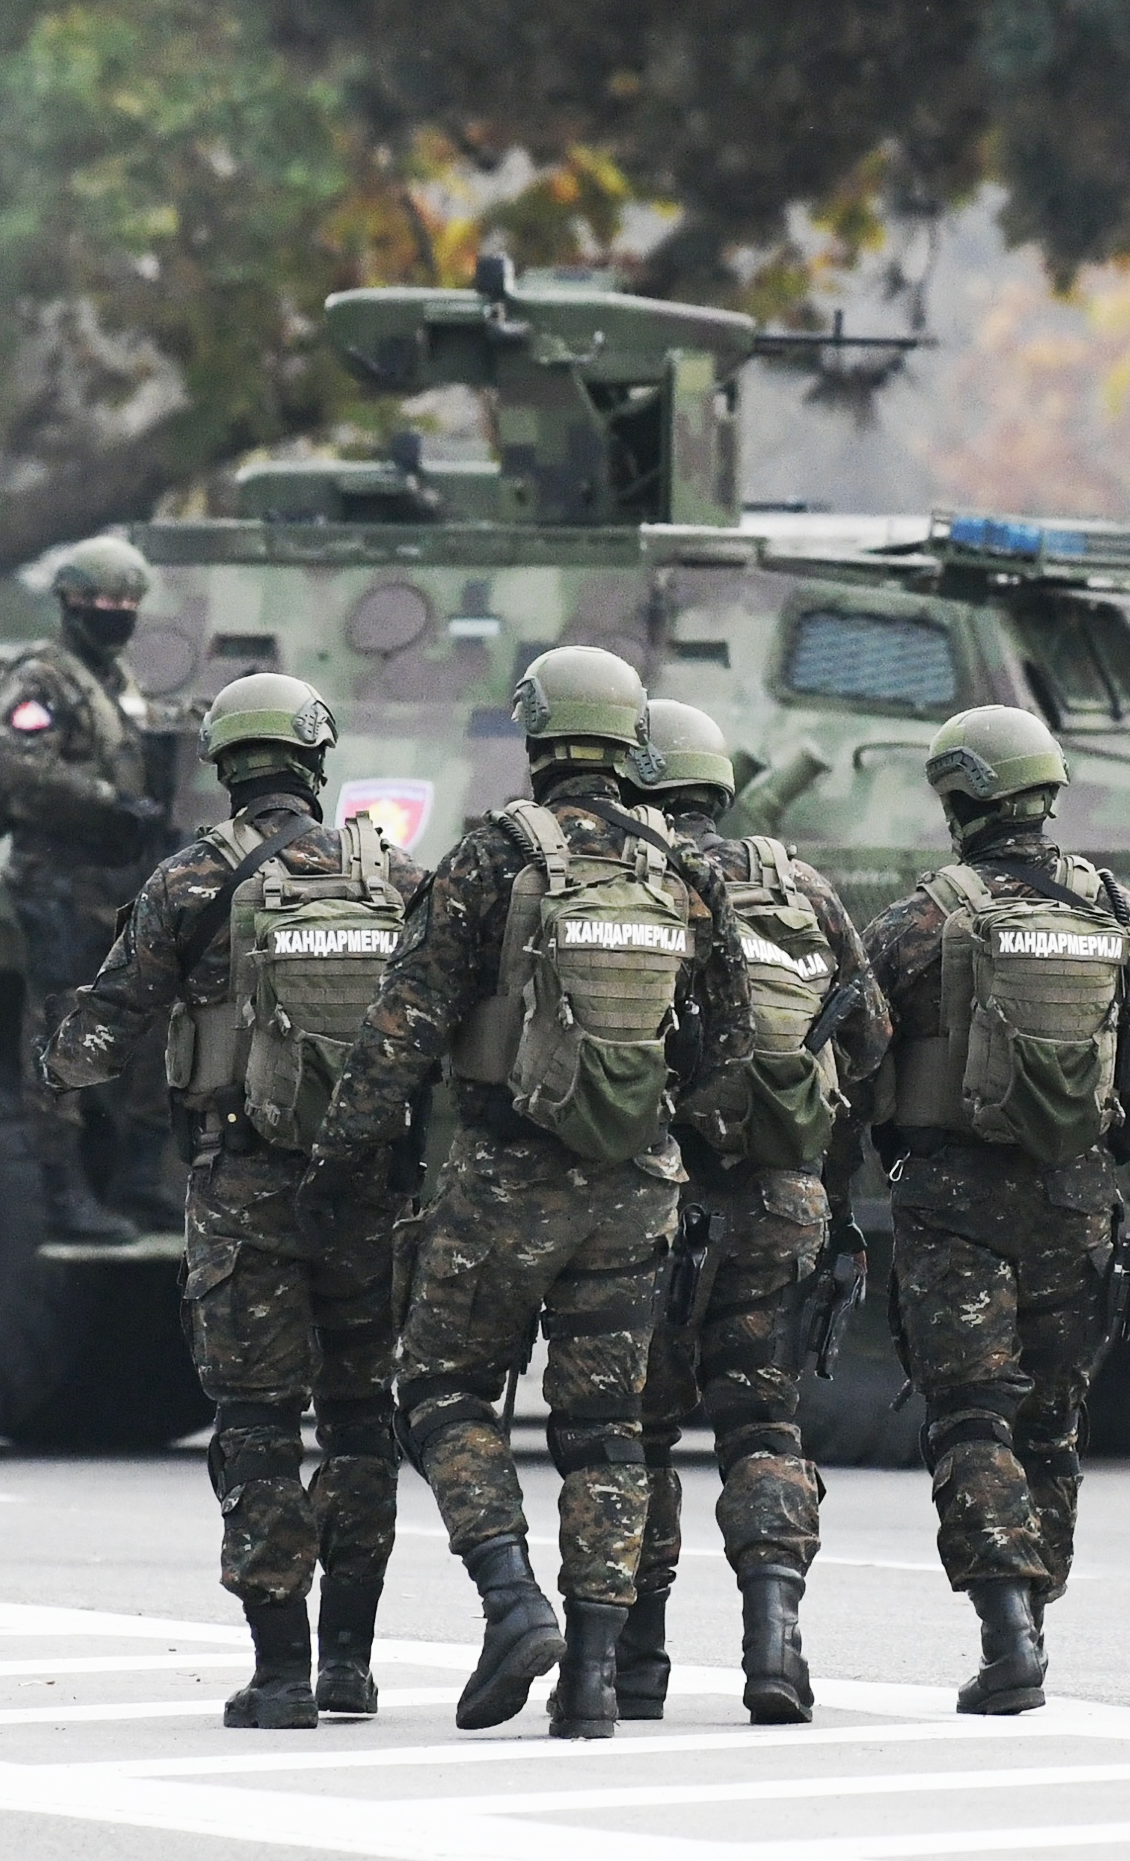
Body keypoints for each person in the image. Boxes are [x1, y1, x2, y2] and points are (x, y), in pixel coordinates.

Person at [319, 646, 751, 1739]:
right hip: (638, 1188)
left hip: (506, 1178)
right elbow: (730, 1045)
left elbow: (404, 1023)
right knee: (608, 1429)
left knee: (441, 1389)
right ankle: (595, 1682)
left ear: (537, 737)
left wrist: (345, 1158)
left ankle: (514, 1602)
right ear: (629, 740)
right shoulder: (681, 870)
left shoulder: (497, 855)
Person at [44, 672, 425, 1729]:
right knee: (360, 1420)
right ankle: (350, 1661)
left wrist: (66, 1061)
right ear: (315, 759)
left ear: (225, 766)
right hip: (371, 1195)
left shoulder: (189, 881)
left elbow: (95, 1041)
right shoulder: (392, 875)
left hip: (244, 1191)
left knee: (257, 1425)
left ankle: (282, 1673)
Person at [859, 704, 1130, 1714]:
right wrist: (1109, 1140)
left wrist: (883, 1137)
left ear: (958, 798)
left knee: (971, 1415)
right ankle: (1035, 1626)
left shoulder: (919, 918)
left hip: (952, 1204)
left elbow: (846, 1058)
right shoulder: (1119, 912)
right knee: (1053, 1425)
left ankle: (1005, 1633)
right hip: (1077, 1203)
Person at [623, 699, 891, 1725]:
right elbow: (865, 1039)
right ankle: (776, 1642)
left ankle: (634, 1663)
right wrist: (826, 1168)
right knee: (762, 1417)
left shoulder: (629, 880)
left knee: (637, 1431)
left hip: (658, 1192)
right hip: (784, 1195)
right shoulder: (800, 887)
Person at [0, 536, 171, 1244]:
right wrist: (109, 801)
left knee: (147, 1030)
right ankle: (60, 1191)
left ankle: (139, 1181)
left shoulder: (113, 679)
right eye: (102, 601)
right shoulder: (42, 678)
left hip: (117, 879)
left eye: (126, 602)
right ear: (71, 602)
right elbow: (20, 765)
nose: (116, 613)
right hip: (58, 877)